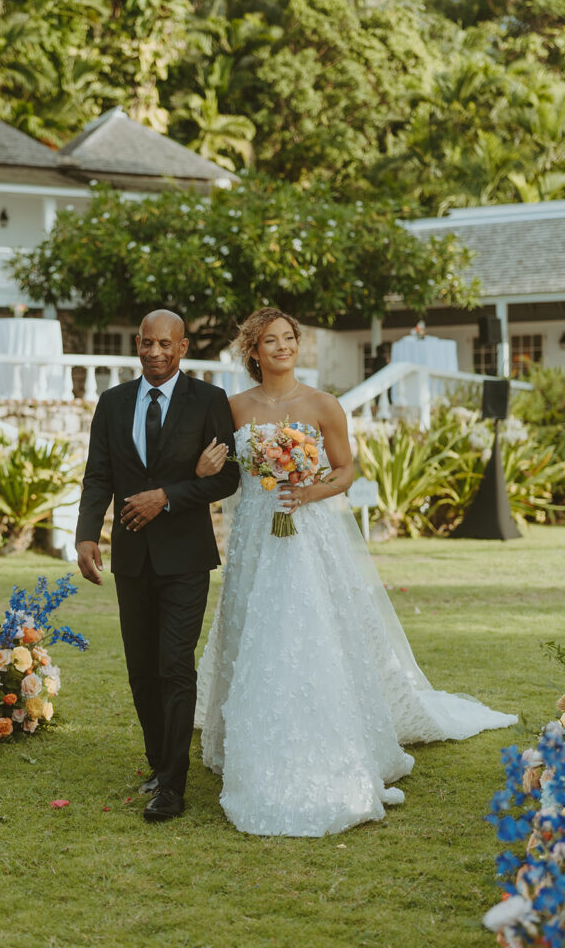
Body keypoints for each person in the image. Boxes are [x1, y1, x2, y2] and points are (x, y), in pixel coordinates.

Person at [195, 307, 517, 837]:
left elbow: (344, 470)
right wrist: (207, 468)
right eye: (270, 341)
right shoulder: (232, 408)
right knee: (253, 628)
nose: (282, 347)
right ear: (252, 351)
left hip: (306, 532)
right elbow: (220, 471)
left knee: (309, 625)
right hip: (255, 533)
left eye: (289, 338)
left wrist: (311, 489)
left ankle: (329, 732)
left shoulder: (323, 405)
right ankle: (249, 740)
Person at [76, 309, 239, 821]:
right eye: (146, 343)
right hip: (131, 556)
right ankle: (157, 763)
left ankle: (173, 783)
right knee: (141, 669)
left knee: (174, 666)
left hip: (186, 557)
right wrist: (85, 534)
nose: (154, 352)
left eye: (165, 344)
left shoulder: (210, 402)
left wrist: (166, 496)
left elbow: (226, 479)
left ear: (183, 347)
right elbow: (97, 475)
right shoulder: (113, 402)